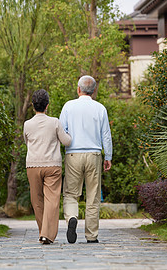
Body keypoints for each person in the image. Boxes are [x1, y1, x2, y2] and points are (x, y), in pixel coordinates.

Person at [59, 75, 112, 244]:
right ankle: (91, 235)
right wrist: (108, 156)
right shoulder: (100, 108)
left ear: (78, 89)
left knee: (70, 194)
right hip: (94, 155)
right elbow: (106, 135)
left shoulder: (68, 106)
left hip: (73, 154)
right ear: (94, 91)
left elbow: (61, 132)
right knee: (93, 196)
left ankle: (72, 217)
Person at [23, 89, 72, 244]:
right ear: (47, 106)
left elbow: (27, 142)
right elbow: (66, 141)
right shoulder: (55, 122)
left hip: (32, 165)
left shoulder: (27, 124)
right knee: (51, 200)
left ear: (32, 105)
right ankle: (47, 234)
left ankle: (43, 233)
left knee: (37, 200)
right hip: (52, 165)